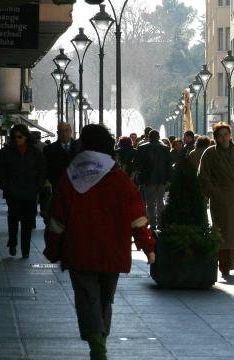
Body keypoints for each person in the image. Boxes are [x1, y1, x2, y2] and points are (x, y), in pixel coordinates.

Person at [43, 124, 155, 360]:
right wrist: (148, 247)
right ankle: (99, 341)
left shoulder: (70, 177)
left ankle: (97, 345)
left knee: (87, 298)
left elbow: (57, 220)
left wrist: (52, 248)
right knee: (105, 299)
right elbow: (137, 218)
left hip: (79, 250)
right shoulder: (120, 179)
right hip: (112, 252)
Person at [199, 122, 234, 277]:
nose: (224, 138)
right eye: (220, 136)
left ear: (230, 135)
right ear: (216, 138)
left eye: (226, 135)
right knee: (223, 232)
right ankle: (224, 263)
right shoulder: (210, 153)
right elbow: (203, 176)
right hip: (220, 199)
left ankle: (230, 259)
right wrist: (213, 191)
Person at [0, 124, 46, 258]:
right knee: (13, 219)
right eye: (15, 137)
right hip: (13, 193)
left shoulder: (35, 153)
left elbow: (41, 171)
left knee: (27, 223)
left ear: (26, 137)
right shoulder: (6, 153)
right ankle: (12, 242)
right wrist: (6, 186)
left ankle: (25, 249)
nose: (17, 139)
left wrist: (37, 186)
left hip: (30, 193)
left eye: (20, 137)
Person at [133, 130, 172, 229]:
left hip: (148, 179)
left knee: (150, 203)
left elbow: (136, 164)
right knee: (160, 201)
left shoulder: (142, 148)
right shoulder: (165, 148)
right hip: (162, 179)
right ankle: (161, 222)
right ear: (158, 137)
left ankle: (153, 224)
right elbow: (169, 165)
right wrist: (168, 179)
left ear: (149, 137)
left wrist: (138, 177)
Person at [44, 122, 77, 192]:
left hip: (76, 185)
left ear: (71, 131)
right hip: (58, 185)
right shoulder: (49, 149)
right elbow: (47, 168)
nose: (64, 134)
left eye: (66, 130)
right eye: (61, 131)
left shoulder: (79, 147)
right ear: (58, 133)